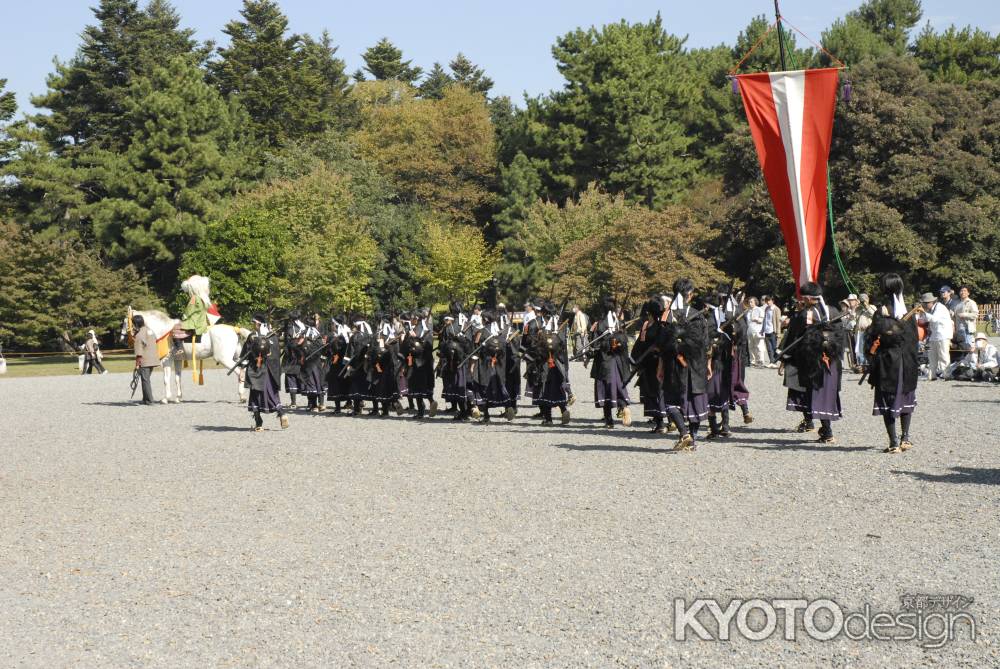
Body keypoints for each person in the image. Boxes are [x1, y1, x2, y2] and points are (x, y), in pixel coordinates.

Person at [779, 282, 843, 444]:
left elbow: (793, 337)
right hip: (832, 361)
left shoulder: (804, 315)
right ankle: (823, 429)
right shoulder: (833, 310)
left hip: (813, 361)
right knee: (825, 392)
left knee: (816, 393)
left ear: (808, 298)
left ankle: (827, 432)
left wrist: (784, 359)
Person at [864, 273, 918, 454]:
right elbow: (914, 340)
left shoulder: (882, 312)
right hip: (907, 362)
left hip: (889, 363)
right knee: (904, 396)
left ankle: (895, 441)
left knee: (890, 399)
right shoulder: (908, 311)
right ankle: (905, 438)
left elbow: (872, 338)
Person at [661, 278, 710, 451]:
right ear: (689, 295)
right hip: (695, 364)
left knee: (672, 401)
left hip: (675, 365)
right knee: (692, 400)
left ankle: (684, 433)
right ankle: (692, 439)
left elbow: (663, 343)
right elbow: (705, 343)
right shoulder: (698, 315)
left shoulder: (668, 315)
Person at [589, 297, 631, 429]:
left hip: (605, 361)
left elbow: (595, 344)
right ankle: (623, 406)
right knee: (617, 386)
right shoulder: (619, 323)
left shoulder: (600, 324)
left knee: (605, 389)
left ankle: (609, 421)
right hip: (618, 361)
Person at [241, 313, 288, 431]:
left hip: (256, 370)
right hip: (270, 371)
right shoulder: (272, 337)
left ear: (258, 323)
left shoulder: (252, 337)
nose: (253, 325)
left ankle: (258, 423)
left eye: (253, 322)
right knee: (271, 394)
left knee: (255, 396)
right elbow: (275, 355)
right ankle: (281, 413)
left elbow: (245, 354)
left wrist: (246, 363)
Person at [917, 292, 953, 380]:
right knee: (931, 356)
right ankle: (931, 375)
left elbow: (934, 319)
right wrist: (921, 315)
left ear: (930, 302)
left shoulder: (940, 307)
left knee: (943, 356)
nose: (924, 305)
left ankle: (947, 375)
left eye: (924, 303)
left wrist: (923, 312)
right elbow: (924, 320)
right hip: (934, 335)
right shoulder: (931, 309)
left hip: (943, 335)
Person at [132, 315, 159, 404]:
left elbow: (139, 350)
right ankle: (145, 399)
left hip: (145, 359)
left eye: (133, 324)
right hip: (153, 358)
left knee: (145, 380)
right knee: (145, 379)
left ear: (136, 324)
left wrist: (137, 363)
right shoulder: (150, 330)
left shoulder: (139, 334)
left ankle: (150, 400)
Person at [854, 294, 876, 370]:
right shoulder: (858, 309)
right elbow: (854, 317)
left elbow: (874, 314)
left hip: (868, 332)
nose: (863, 301)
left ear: (868, 299)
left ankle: (868, 364)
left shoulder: (872, 307)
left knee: (868, 348)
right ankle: (861, 365)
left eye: (864, 299)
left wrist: (866, 306)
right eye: (861, 300)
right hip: (859, 331)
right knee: (859, 349)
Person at [746, 297, 766, 367]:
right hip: (750, 331)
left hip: (757, 330)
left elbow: (762, 320)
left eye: (751, 302)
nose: (750, 303)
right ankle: (753, 361)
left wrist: (756, 319)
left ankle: (760, 361)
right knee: (751, 347)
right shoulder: (748, 311)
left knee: (759, 347)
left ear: (755, 302)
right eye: (749, 302)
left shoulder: (759, 309)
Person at [762, 295, 781, 366]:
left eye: (769, 300)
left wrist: (778, 332)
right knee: (769, 348)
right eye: (766, 301)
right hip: (766, 330)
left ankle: (775, 362)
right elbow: (765, 320)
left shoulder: (776, 309)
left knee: (774, 347)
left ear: (772, 301)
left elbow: (778, 321)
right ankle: (771, 361)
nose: (768, 302)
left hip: (773, 330)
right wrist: (762, 329)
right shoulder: (766, 308)